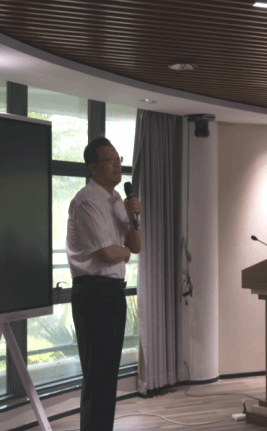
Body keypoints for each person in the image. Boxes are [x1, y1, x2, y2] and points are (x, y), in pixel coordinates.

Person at [66, 136, 142, 431]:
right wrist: (125, 253)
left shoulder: (118, 202)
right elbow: (107, 254)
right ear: (93, 167)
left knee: (108, 374)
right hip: (93, 293)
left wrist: (134, 218)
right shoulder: (86, 200)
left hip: (112, 294)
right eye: (110, 160)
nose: (117, 165)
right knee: (97, 375)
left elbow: (135, 246)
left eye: (118, 159)